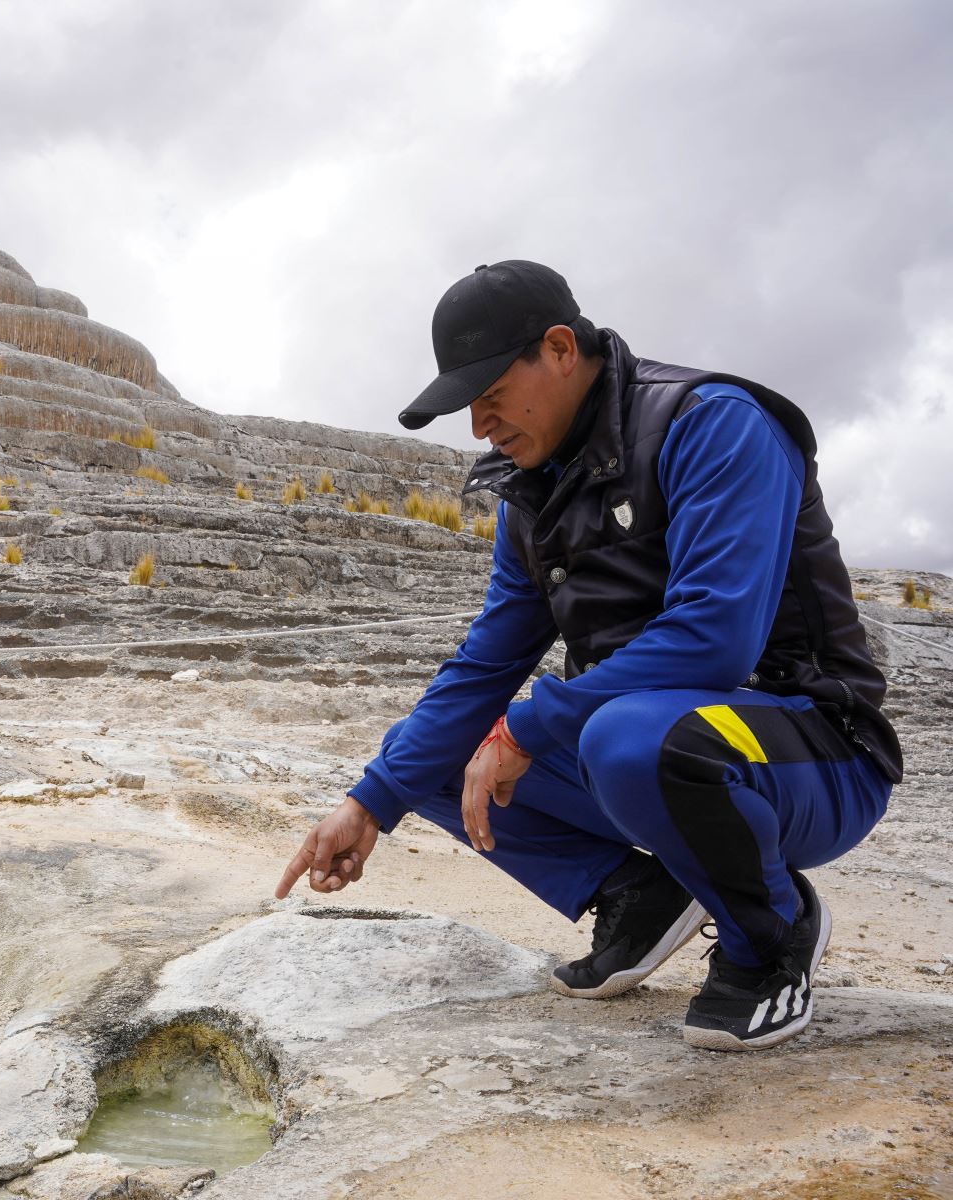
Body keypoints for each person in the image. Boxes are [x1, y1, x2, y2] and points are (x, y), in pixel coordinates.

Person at [275, 261, 902, 1052]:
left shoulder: (713, 423)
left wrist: (530, 729)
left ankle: (774, 936)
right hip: (648, 752)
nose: (479, 427)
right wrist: (367, 804)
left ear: (561, 349)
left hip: (814, 753)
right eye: (469, 406)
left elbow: (715, 636)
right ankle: (640, 896)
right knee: (430, 754)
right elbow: (483, 668)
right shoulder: (530, 496)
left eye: (491, 394)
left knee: (618, 735)